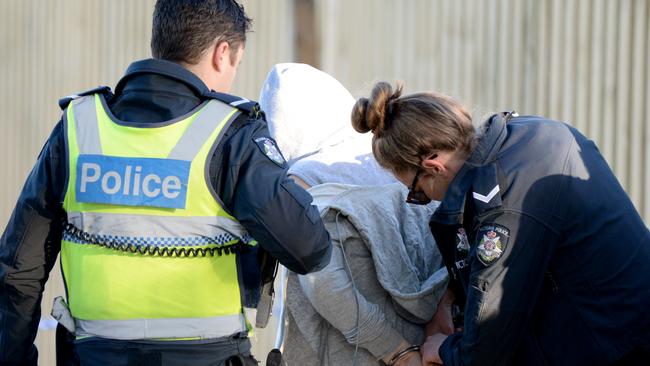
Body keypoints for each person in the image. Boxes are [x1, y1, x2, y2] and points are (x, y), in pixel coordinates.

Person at [0, 1, 331, 365]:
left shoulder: (79, 127)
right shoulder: (233, 135)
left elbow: (17, 270)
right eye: (236, 63)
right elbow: (310, 250)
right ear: (223, 54)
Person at [350, 81, 650, 366]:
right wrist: (449, 298)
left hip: (618, 347)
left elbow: (485, 350)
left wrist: (442, 348)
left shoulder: (501, 207)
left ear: (434, 166)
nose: (426, 199)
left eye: (418, 193)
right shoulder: (529, 132)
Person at [259, 64, 449, 366]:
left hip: (353, 351)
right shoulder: (395, 158)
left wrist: (395, 351)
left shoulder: (303, 178)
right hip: (426, 342)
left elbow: (324, 282)